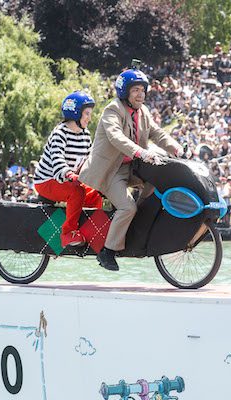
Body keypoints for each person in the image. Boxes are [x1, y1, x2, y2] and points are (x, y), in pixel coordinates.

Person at [79, 69, 185, 271]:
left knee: (159, 179)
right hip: (111, 170)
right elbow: (116, 137)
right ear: (124, 92)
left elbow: (158, 133)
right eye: (135, 90)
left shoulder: (143, 112)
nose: (140, 95)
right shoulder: (113, 110)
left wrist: (176, 149)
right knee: (127, 207)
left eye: (143, 90)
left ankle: (138, 217)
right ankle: (107, 252)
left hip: (133, 167)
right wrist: (141, 152)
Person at [33, 91, 102, 247]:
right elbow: (57, 160)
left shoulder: (85, 135)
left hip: (69, 181)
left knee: (95, 194)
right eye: (87, 114)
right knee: (77, 192)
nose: (89, 118)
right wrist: (69, 174)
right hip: (47, 181)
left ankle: (90, 230)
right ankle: (67, 234)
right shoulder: (60, 133)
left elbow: (88, 161)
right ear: (75, 113)